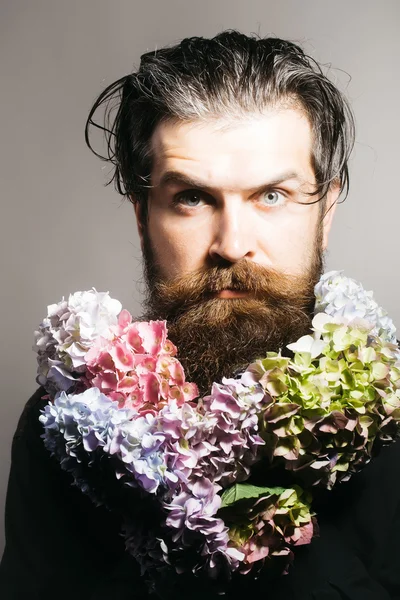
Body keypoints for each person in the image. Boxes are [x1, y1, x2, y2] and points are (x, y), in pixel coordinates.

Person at [1, 30, 399, 600]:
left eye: (271, 196)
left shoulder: (394, 421)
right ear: (143, 217)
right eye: (192, 198)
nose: (232, 244)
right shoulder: (63, 430)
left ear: (325, 212)